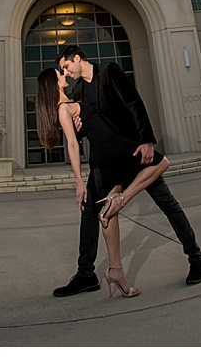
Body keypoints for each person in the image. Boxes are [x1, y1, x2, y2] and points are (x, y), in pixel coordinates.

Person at [51, 45, 201, 297]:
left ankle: (196, 259)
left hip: (134, 153)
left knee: (167, 203)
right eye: (64, 71)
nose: (67, 73)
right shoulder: (79, 91)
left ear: (78, 58)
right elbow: (89, 128)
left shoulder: (110, 72)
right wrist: (78, 127)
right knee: (89, 209)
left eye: (67, 67)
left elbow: (134, 103)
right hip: (106, 161)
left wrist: (146, 141)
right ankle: (85, 275)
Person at [36, 67, 168, 298]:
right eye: (60, 74)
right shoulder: (62, 108)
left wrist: (80, 124)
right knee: (161, 163)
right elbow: (73, 146)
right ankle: (122, 199)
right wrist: (78, 182)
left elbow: (86, 125)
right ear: (53, 84)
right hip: (111, 149)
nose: (64, 74)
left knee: (101, 210)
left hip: (107, 152)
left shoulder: (69, 104)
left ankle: (114, 271)